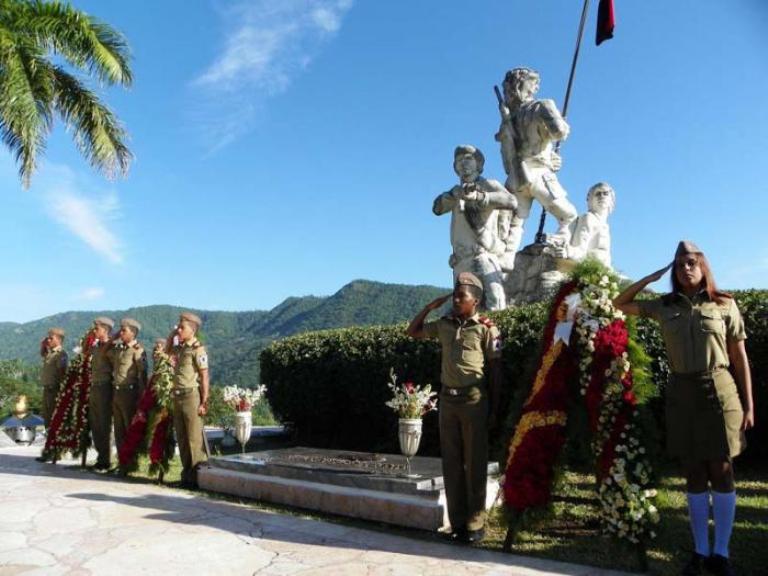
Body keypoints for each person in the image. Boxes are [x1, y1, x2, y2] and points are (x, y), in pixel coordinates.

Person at [614, 241, 754, 576]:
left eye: (691, 262)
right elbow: (620, 302)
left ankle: (721, 554)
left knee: (721, 469)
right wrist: (650, 277)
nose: (685, 268)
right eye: (679, 265)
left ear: (703, 266)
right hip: (682, 393)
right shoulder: (663, 306)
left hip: (719, 390)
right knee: (693, 471)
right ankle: (700, 551)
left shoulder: (724, 304)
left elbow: (739, 358)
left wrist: (749, 405)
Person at [407, 272, 504, 543]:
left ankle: (475, 524)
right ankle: (458, 522)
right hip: (447, 401)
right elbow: (412, 332)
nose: (456, 299)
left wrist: (494, 409)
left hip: (474, 401)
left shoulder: (487, 328)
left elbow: (496, 370)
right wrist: (428, 308)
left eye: (462, 295)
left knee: (474, 463)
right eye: (455, 294)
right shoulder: (444, 324)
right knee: (451, 463)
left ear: (476, 301)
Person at [495, 67, 577, 257]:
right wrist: (561, 123)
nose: (536, 87)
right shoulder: (542, 106)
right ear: (525, 85)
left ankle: (506, 260)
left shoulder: (509, 119)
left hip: (516, 175)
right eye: (534, 83)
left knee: (515, 223)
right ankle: (560, 243)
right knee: (568, 215)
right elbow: (559, 132)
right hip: (539, 173)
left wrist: (551, 157)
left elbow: (506, 156)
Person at [433, 145, 517, 310]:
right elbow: (437, 208)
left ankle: (496, 336)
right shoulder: (455, 192)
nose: (463, 163)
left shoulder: (488, 184)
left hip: (482, 254)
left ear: (478, 163)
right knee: (461, 309)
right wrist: (453, 195)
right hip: (461, 259)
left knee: (496, 304)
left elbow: (511, 201)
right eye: (458, 161)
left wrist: (480, 197)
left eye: (468, 159)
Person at [168, 312, 210, 488]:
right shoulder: (180, 347)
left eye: (182, 327)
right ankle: (186, 475)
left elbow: (204, 375)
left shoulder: (197, 349)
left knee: (194, 439)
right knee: (183, 438)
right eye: (178, 326)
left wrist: (204, 401)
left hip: (191, 396)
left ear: (192, 329)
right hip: (178, 396)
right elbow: (167, 350)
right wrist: (173, 334)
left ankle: (196, 477)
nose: (179, 329)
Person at [554, 182, 615, 267]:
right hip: (588, 271)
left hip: (602, 272)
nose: (602, 196)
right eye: (597, 193)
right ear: (590, 199)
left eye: (605, 193)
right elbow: (580, 249)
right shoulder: (589, 218)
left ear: (611, 199)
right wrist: (568, 251)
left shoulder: (605, 225)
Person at [111, 318, 147, 457]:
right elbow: (103, 352)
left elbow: (142, 376)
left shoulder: (137, 350)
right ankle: (122, 461)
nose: (120, 333)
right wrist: (113, 337)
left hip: (129, 393)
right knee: (118, 430)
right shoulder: (119, 349)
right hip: (117, 391)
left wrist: (141, 400)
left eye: (123, 330)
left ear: (133, 332)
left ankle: (131, 461)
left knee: (129, 429)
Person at [89, 317, 115, 471]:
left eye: (97, 328)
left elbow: (114, 369)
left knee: (104, 424)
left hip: (105, 387)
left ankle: (105, 460)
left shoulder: (111, 347)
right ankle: (100, 457)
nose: (94, 331)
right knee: (95, 424)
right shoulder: (96, 346)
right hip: (95, 386)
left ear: (105, 330)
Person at [39, 327, 68, 427]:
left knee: (53, 414)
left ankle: (53, 437)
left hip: (54, 389)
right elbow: (43, 353)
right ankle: (48, 435)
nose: (48, 340)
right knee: (46, 415)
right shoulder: (50, 353)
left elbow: (62, 372)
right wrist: (43, 344)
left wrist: (60, 389)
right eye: (48, 338)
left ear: (59, 340)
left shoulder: (61, 354)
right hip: (47, 388)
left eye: (51, 338)